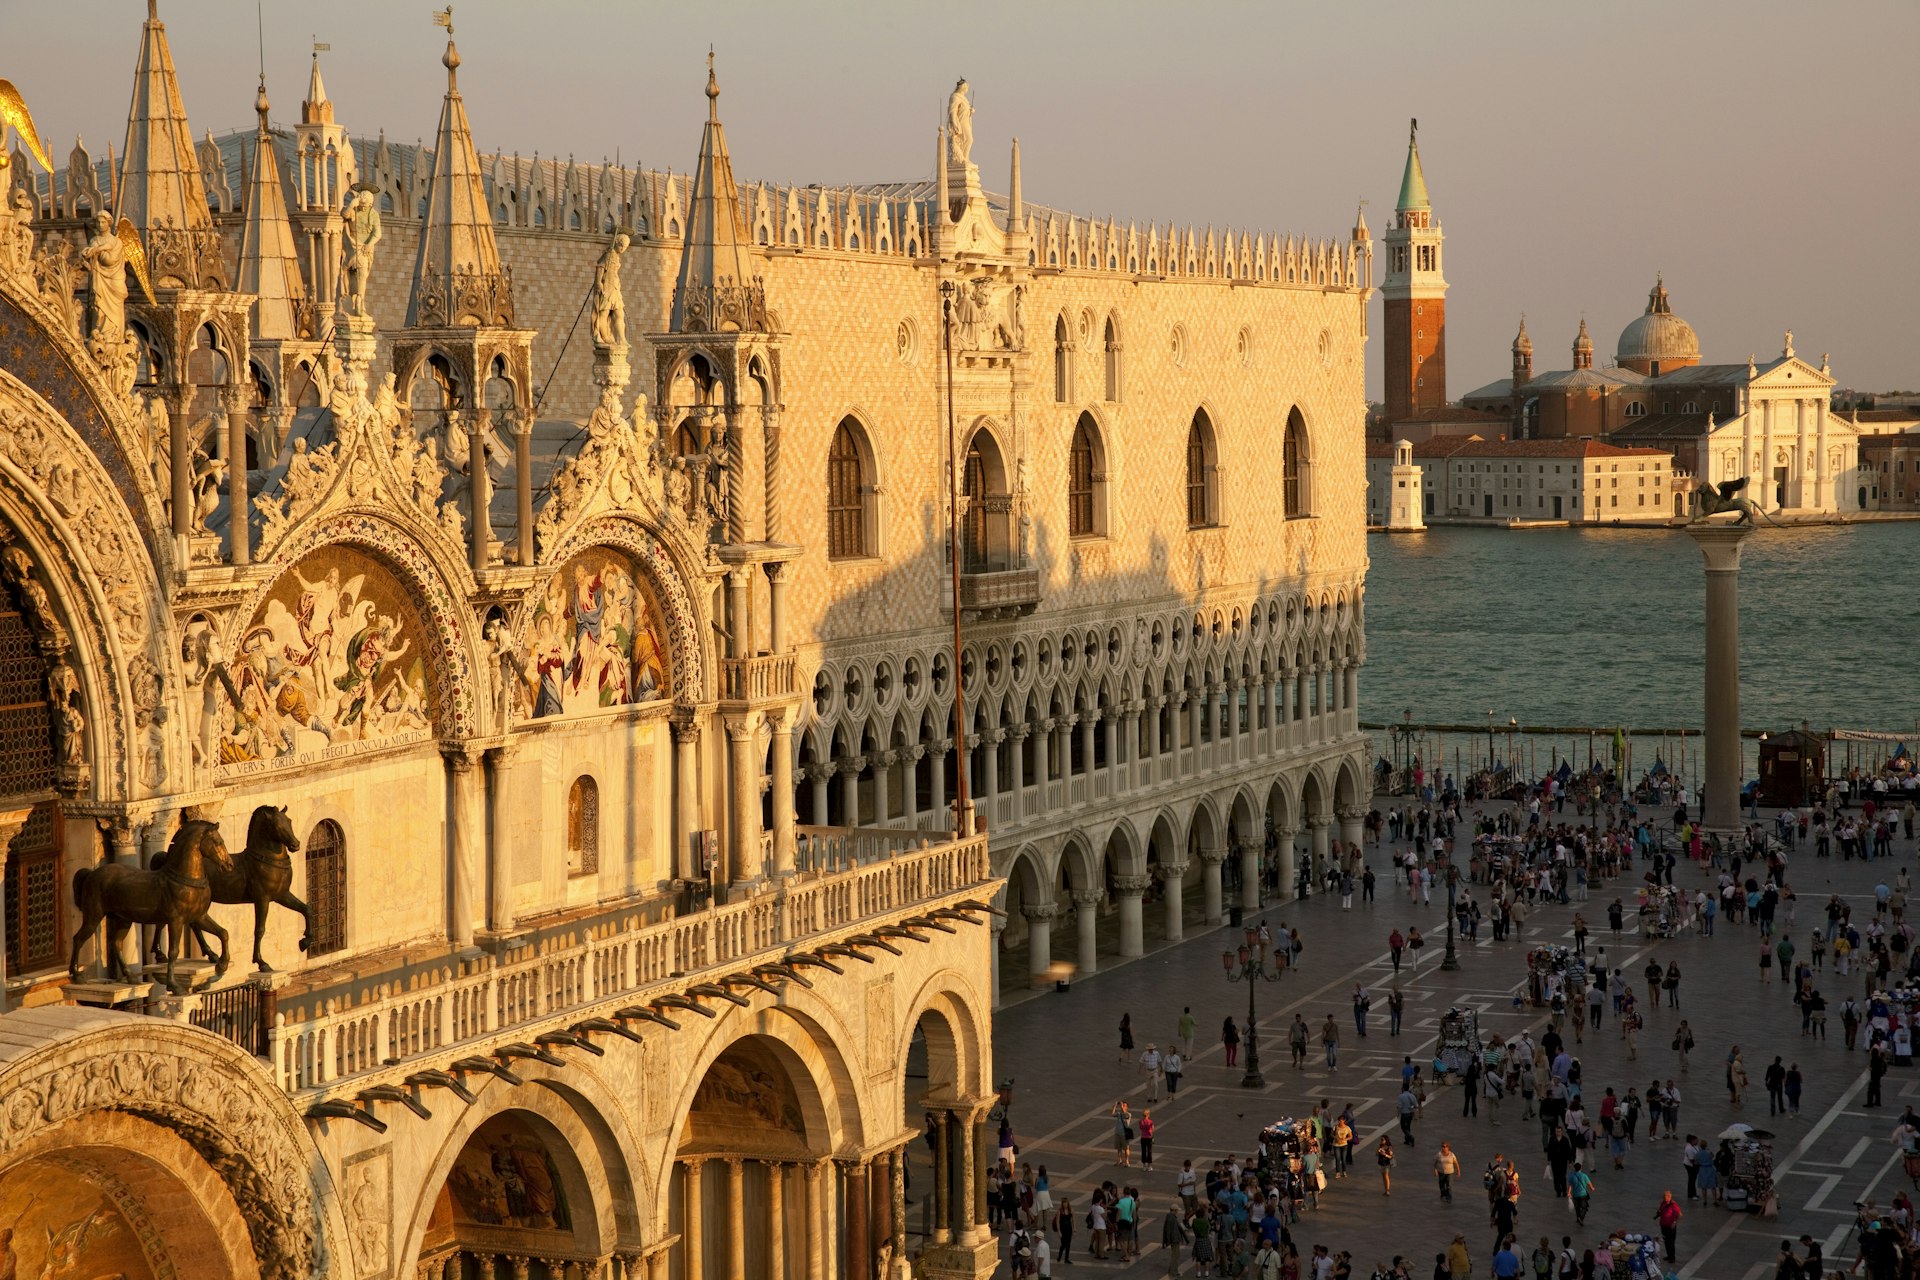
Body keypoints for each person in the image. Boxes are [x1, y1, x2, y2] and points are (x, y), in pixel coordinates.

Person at [1161, 1200, 1190, 1275]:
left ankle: (1172, 1270)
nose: (1178, 1211)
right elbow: (1168, 1230)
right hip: (1174, 1239)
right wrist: (1167, 1241)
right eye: (1177, 1210)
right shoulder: (1171, 1217)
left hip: (1175, 1239)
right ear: (1174, 1210)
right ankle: (1174, 1271)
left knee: (1176, 1255)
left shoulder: (1171, 1217)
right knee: (1175, 1256)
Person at [1655, 1189, 1683, 1262]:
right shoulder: (1663, 1203)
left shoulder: (1674, 1205)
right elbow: (1660, 1210)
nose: (1665, 1198)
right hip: (1663, 1225)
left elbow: (1679, 1214)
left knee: (1671, 1242)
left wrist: (1674, 1222)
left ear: (1670, 1197)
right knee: (1666, 1241)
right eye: (1664, 1197)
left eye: (1667, 1197)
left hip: (1671, 1227)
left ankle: (1672, 1257)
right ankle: (1669, 1255)